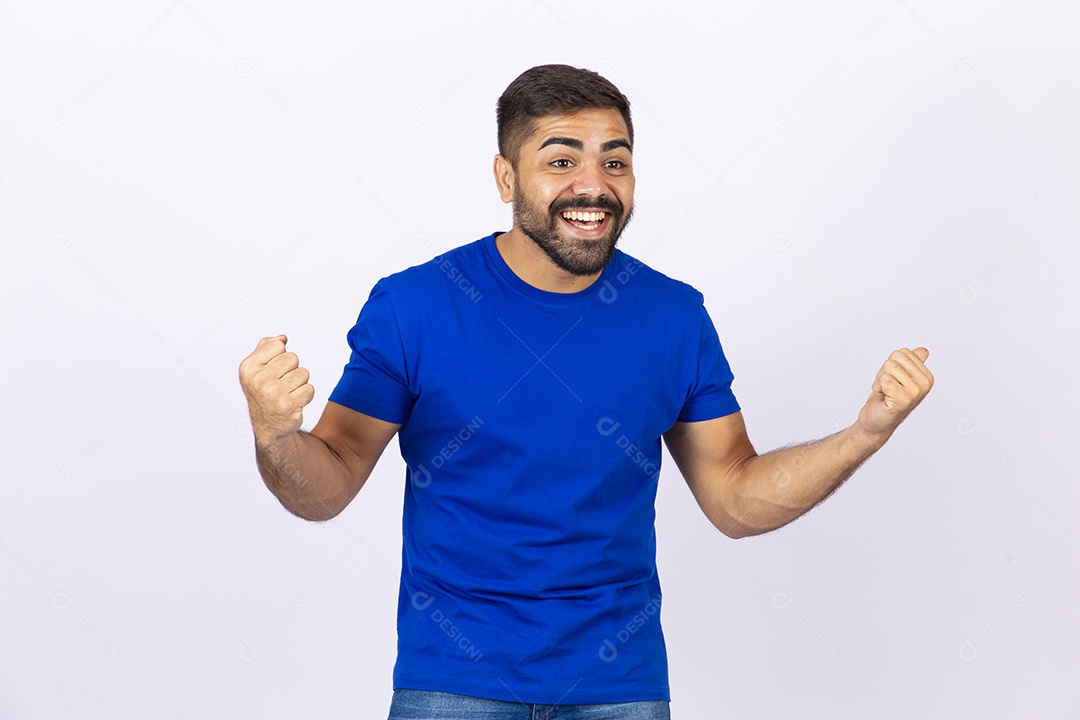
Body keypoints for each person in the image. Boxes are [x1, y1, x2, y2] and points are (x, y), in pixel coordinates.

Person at [238, 64, 934, 720]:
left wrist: (864, 433)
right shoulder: (414, 307)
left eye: (615, 160)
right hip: (454, 684)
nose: (594, 185)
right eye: (562, 160)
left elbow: (735, 498)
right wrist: (274, 433)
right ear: (506, 177)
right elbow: (325, 489)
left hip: (618, 688)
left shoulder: (672, 316)